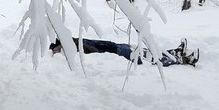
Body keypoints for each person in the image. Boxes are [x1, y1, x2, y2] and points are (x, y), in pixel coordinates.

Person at [50, 36, 199, 67]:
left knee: (145, 52)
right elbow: (95, 51)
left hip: (117, 47)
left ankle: (175, 52)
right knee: (147, 58)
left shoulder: (71, 41)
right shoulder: (70, 48)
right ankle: (182, 60)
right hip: (117, 54)